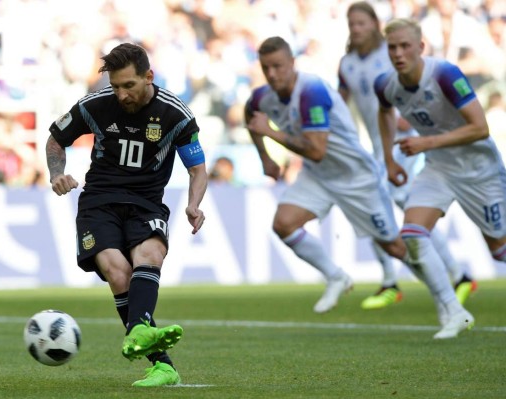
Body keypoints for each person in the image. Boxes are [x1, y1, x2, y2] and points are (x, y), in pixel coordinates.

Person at [46, 43, 207, 386]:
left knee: (151, 255)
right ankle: (158, 358)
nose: (120, 94)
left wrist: (194, 204)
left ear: (149, 77)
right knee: (118, 272)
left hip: (146, 201)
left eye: (128, 86)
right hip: (99, 201)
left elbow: (197, 169)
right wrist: (56, 173)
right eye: (115, 86)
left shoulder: (175, 114)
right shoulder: (96, 105)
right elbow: (56, 140)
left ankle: (146, 344)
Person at [245, 36, 428, 326]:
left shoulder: (312, 91)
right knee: (284, 223)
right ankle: (336, 276)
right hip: (319, 176)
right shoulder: (261, 97)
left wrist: (271, 133)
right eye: (266, 68)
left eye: (278, 66)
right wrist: (265, 158)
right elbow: (251, 117)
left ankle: (448, 290)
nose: (272, 74)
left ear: (292, 63)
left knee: (394, 246)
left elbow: (316, 150)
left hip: (356, 176)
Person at [338, 1, 476, 310]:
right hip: (378, 147)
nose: (356, 29)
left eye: (361, 23)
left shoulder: (389, 56)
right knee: (389, 208)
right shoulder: (346, 64)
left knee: (396, 206)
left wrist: (406, 114)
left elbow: (411, 85)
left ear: (374, 23)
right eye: (352, 24)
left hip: (405, 142)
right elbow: (340, 103)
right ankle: (455, 275)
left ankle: (404, 280)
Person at [374, 18, 505, 338]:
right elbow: (384, 110)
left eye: (405, 46)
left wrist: (425, 142)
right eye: (392, 47)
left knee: (499, 249)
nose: (398, 53)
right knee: (414, 233)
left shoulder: (445, 74)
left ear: (421, 47)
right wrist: (390, 160)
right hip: (438, 167)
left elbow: (480, 128)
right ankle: (453, 311)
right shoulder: (386, 84)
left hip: (479, 169)